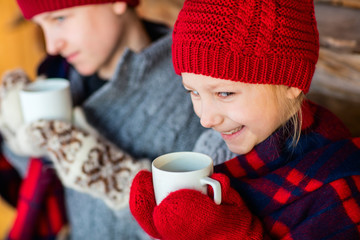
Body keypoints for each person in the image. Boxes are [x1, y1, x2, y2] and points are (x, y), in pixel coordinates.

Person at [0, 0, 234, 239]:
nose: (51, 46)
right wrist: (16, 136)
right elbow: (44, 190)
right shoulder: (61, 77)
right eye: (41, 26)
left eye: (60, 19)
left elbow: (201, 226)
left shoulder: (196, 87)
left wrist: (107, 173)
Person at [129, 0, 360, 239]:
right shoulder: (217, 152)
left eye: (224, 93)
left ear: (291, 82)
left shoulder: (340, 187)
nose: (206, 119)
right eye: (193, 92)